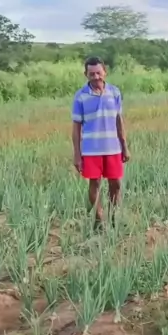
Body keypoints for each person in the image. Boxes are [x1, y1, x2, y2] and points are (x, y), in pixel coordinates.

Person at [72, 56, 130, 228]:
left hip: (113, 148)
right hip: (91, 150)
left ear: (105, 72)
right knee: (95, 183)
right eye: (91, 74)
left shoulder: (115, 92)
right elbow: (76, 128)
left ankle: (113, 217)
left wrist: (124, 146)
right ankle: (99, 218)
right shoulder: (80, 96)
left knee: (116, 183)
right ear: (86, 74)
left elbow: (119, 121)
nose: (96, 77)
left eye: (98, 73)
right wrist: (77, 155)